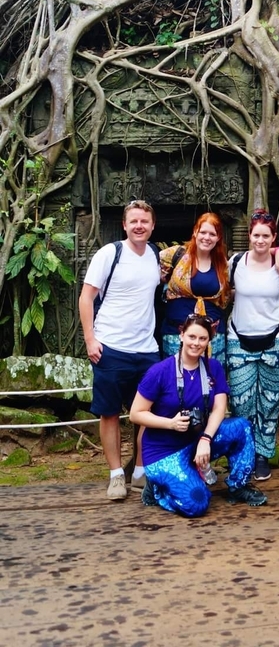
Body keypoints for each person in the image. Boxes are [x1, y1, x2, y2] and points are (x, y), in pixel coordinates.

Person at [129, 314, 266, 516]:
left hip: (197, 441)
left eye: (202, 338)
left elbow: (220, 407)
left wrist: (206, 438)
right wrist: (171, 424)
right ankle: (157, 489)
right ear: (181, 335)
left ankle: (238, 487)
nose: (196, 343)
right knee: (196, 503)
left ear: (209, 341)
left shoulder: (213, 368)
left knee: (241, 427)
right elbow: (135, 413)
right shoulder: (160, 371)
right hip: (164, 450)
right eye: (192, 336)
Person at [78, 200, 161, 500]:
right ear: (125, 225)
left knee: (147, 412)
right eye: (134, 221)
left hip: (147, 349)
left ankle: (139, 470)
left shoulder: (155, 255)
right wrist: (90, 339)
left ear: (152, 226)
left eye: (145, 221)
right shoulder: (109, 254)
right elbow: (86, 298)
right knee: (110, 413)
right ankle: (115, 475)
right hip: (111, 347)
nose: (139, 226)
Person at [226, 208, 279, 482]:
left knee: (269, 401)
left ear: (274, 237)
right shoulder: (236, 262)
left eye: (266, 236)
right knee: (241, 401)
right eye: (256, 235)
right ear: (249, 236)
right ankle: (245, 452)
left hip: (275, 337)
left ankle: (264, 454)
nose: (260, 240)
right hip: (239, 337)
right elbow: (226, 292)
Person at [159, 212, 231, 368]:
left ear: (218, 238)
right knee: (176, 381)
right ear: (195, 232)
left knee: (211, 381)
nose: (207, 237)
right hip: (176, 332)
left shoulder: (222, 264)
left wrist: (278, 251)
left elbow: (224, 299)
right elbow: (148, 267)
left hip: (212, 334)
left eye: (212, 234)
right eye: (203, 232)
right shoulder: (176, 255)